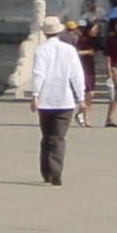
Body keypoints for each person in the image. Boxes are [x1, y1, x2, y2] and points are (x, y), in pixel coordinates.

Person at [29, 15, 86, 185]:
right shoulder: (69, 50)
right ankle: (55, 172)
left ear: (45, 34)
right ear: (60, 32)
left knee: (47, 136)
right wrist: (81, 98)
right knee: (58, 137)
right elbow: (77, 75)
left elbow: (38, 74)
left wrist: (35, 95)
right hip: (65, 100)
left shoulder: (41, 50)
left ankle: (47, 171)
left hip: (46, 100)